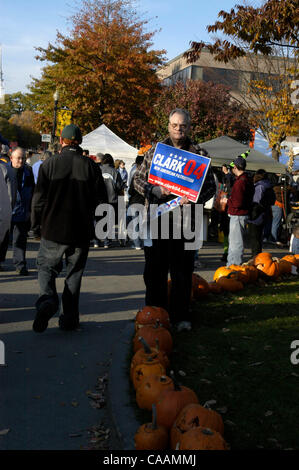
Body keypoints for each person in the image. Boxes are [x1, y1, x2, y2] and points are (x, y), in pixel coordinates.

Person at [134, 108, 216, 332]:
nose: (178, 129)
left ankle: (181, 317)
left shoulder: (199, 154)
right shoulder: (155, 152)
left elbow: (210, 187)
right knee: (154, 272)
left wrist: (195, 197)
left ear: (190, 127)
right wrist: (154, 190)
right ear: (168, 126)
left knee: (182, 274)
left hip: (185, 223)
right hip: (156, 222)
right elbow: (138, 179)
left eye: (183, 125)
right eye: (174, 125)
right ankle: (154, 315)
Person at [31, 124, 107, 333]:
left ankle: (47, 301)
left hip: (53, 228)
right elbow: (103, 201)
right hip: (81, 230)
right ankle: (69, 318)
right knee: (74, 274)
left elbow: (38, 200)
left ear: (62, 141)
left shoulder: (49, 164)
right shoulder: (92, 167)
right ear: (79, 142)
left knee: (46, 268)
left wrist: (35, 226)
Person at [2, 147, 35, 275]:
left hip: (22, 212)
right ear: (11, 158)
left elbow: (32, 189)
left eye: (23, 158)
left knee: (20, 240)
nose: (21, 160)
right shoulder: (4, 170)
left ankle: (20, 264)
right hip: (6, 210)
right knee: (3, 239)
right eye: (18, 158)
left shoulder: (28, 170)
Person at [226, 156, 254, 266]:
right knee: (234, 242)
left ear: (236, 167)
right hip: (241, 214)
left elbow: (237, 203)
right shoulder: (246, 179)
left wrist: (227, 201)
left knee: (236, 243)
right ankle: (231, 265)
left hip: (238, 215)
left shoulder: (240, 182)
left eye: (233, 167)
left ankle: (234, 267)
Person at [99, 153, 126, 248]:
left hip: (100, 199)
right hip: (112, 199)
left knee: (100, 220)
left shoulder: (98, 170)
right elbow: (119, 186)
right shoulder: (115, 171)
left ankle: (99, 240)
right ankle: (107, 241)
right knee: (110, 221)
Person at [247, 169, 275, 257]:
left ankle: (255, 258)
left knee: (255, 238)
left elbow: (256, 200)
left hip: (256, 214)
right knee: (258, 238)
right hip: (264, 213)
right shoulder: (268, 185)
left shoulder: (260, 186)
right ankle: (257, 257)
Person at [127, 155, 145, 250]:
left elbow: (130, 190)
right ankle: (142, 242)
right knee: (142, 223)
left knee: (135, 223)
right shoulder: (147, 175)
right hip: (143, 202)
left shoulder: (135, 175)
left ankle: (137, 244)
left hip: (134, 202)